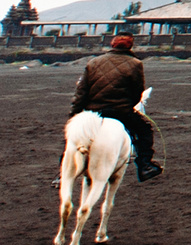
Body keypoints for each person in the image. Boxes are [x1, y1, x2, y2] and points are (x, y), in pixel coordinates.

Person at [70, 33, 163, 182]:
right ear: (130, 47)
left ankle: (64, 171)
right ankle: (144, 165)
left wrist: (74, 114)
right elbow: (137, 92)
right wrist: (128, 106)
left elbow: (81, 92)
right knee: (145, 130)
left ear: (112, 45)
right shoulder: (135, 64)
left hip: (93, 112)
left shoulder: (93, 62)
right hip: (121, 111)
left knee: (72, 136)